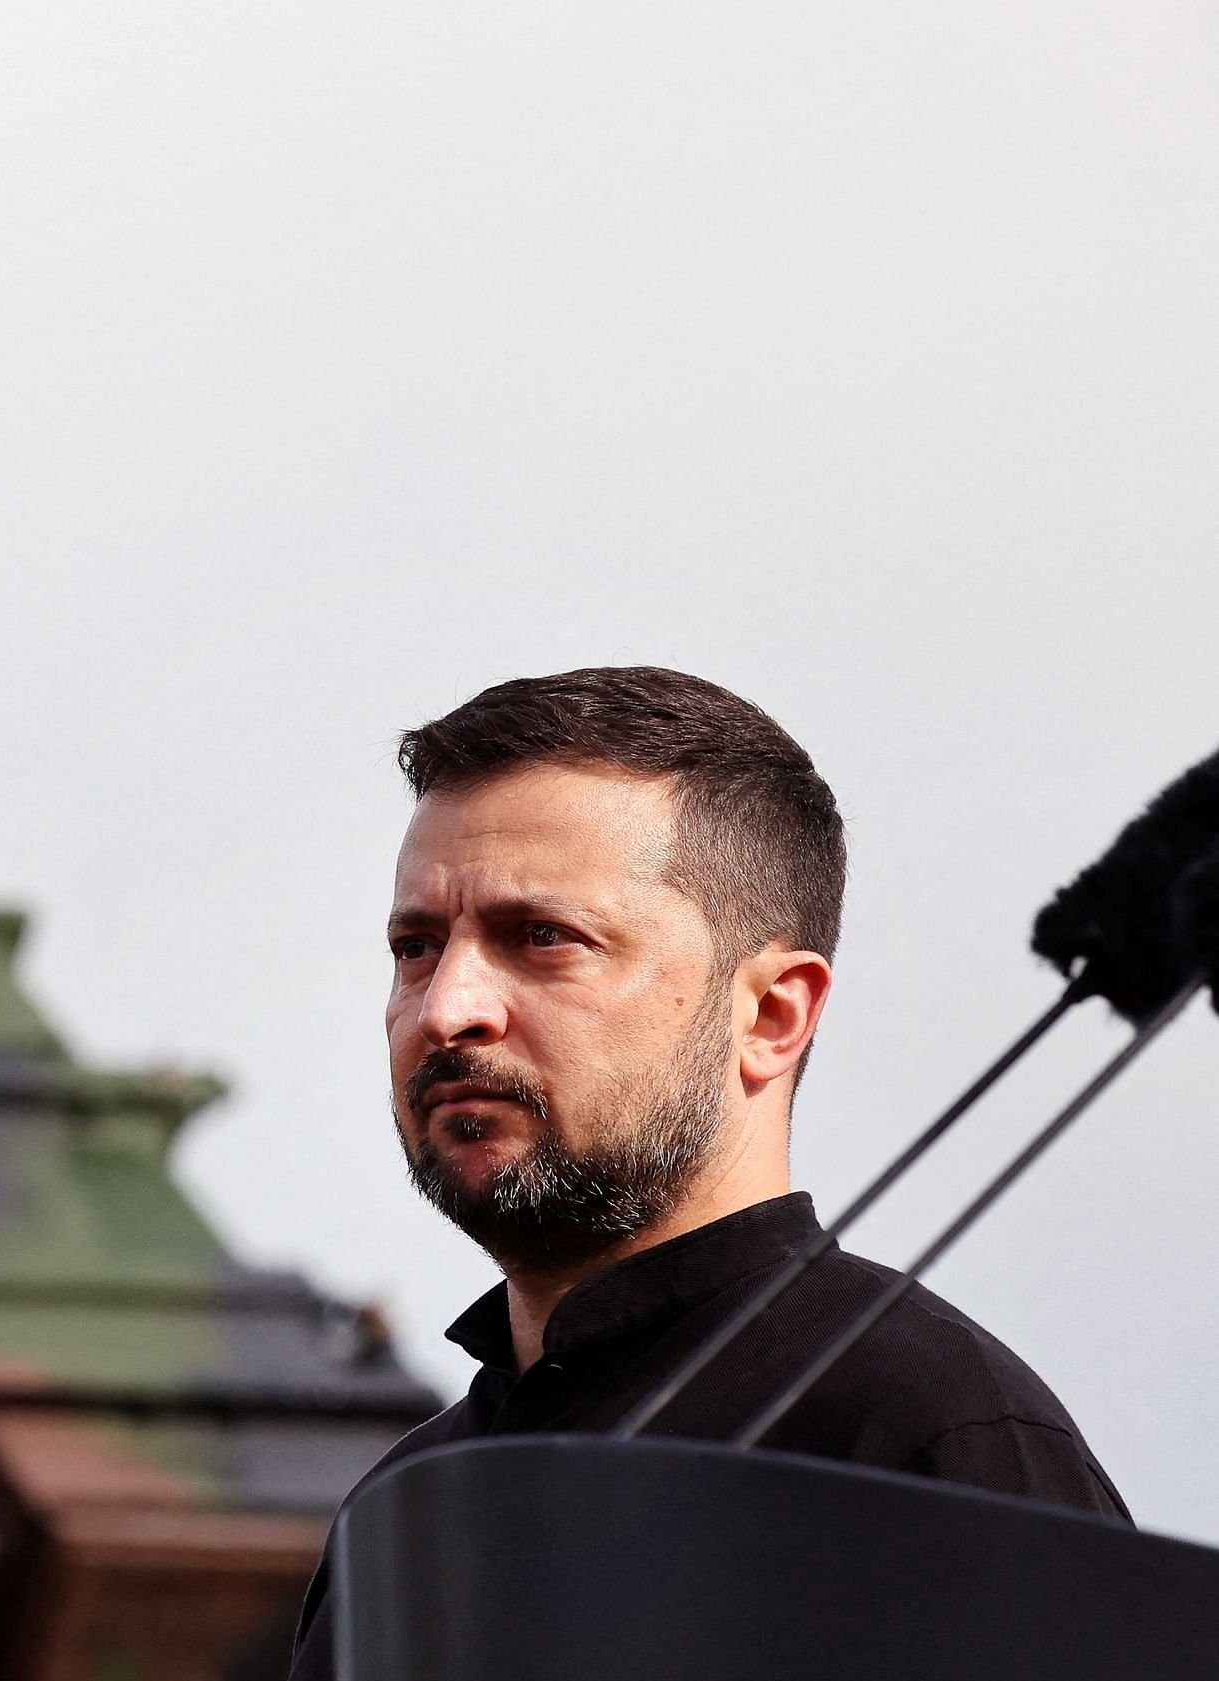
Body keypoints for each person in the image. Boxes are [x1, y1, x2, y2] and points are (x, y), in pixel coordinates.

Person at [282, 666, 1124, 1681]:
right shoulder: (412, 1507)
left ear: (769, 1014)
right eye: (415, 947)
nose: (443, 1006)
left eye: (542, 938)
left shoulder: (925, 1436)